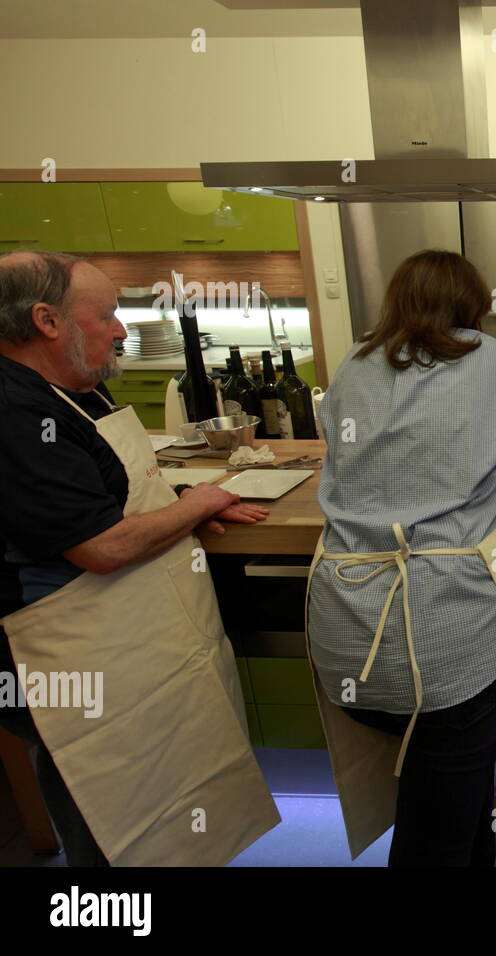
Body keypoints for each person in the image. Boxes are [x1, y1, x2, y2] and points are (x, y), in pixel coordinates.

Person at [0, 250, 278, 866]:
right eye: (106, 316)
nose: (123, 329)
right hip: (72, 667)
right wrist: (198, 503)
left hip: (133, 650)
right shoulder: (17, 410)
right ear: (47, 321)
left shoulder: (76, 390)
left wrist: (183, 500)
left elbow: (110, 492)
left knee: (165, 803)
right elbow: (100, 546)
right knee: (107, 806)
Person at [307, 249, 496, 867]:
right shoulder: (490, 358)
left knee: (451, 789)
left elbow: (339, 465)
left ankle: (486, 848)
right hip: (446, 649)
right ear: (472, 305)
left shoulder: (356, 362)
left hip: (345, 634)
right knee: (430, 840)